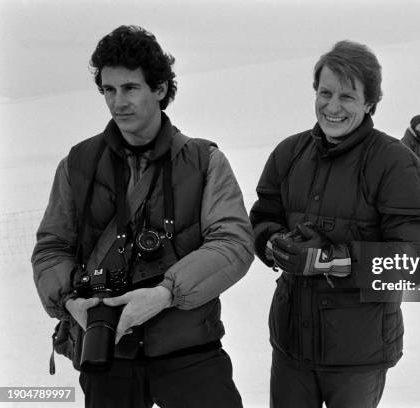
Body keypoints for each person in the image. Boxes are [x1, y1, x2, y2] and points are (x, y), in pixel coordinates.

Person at [31, 26, 253, 408]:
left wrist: (165, 294)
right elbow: (52, 247)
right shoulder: (78, 164)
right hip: (108, 350)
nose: (118, 102)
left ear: (161, 89)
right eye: (109, 90)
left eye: (130, 88)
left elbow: (232, 243)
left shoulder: (204, 161)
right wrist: (71, 302)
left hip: (190, 350)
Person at [249, 40, 420, 408]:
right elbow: (261, 218)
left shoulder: (395, 164)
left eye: (347, 96)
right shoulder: (289, 153)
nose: (332, 106)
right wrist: (275, 246)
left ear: (370, 103)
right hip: (292, 344)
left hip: (358, 354)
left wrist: (331, 259)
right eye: (325, 93)